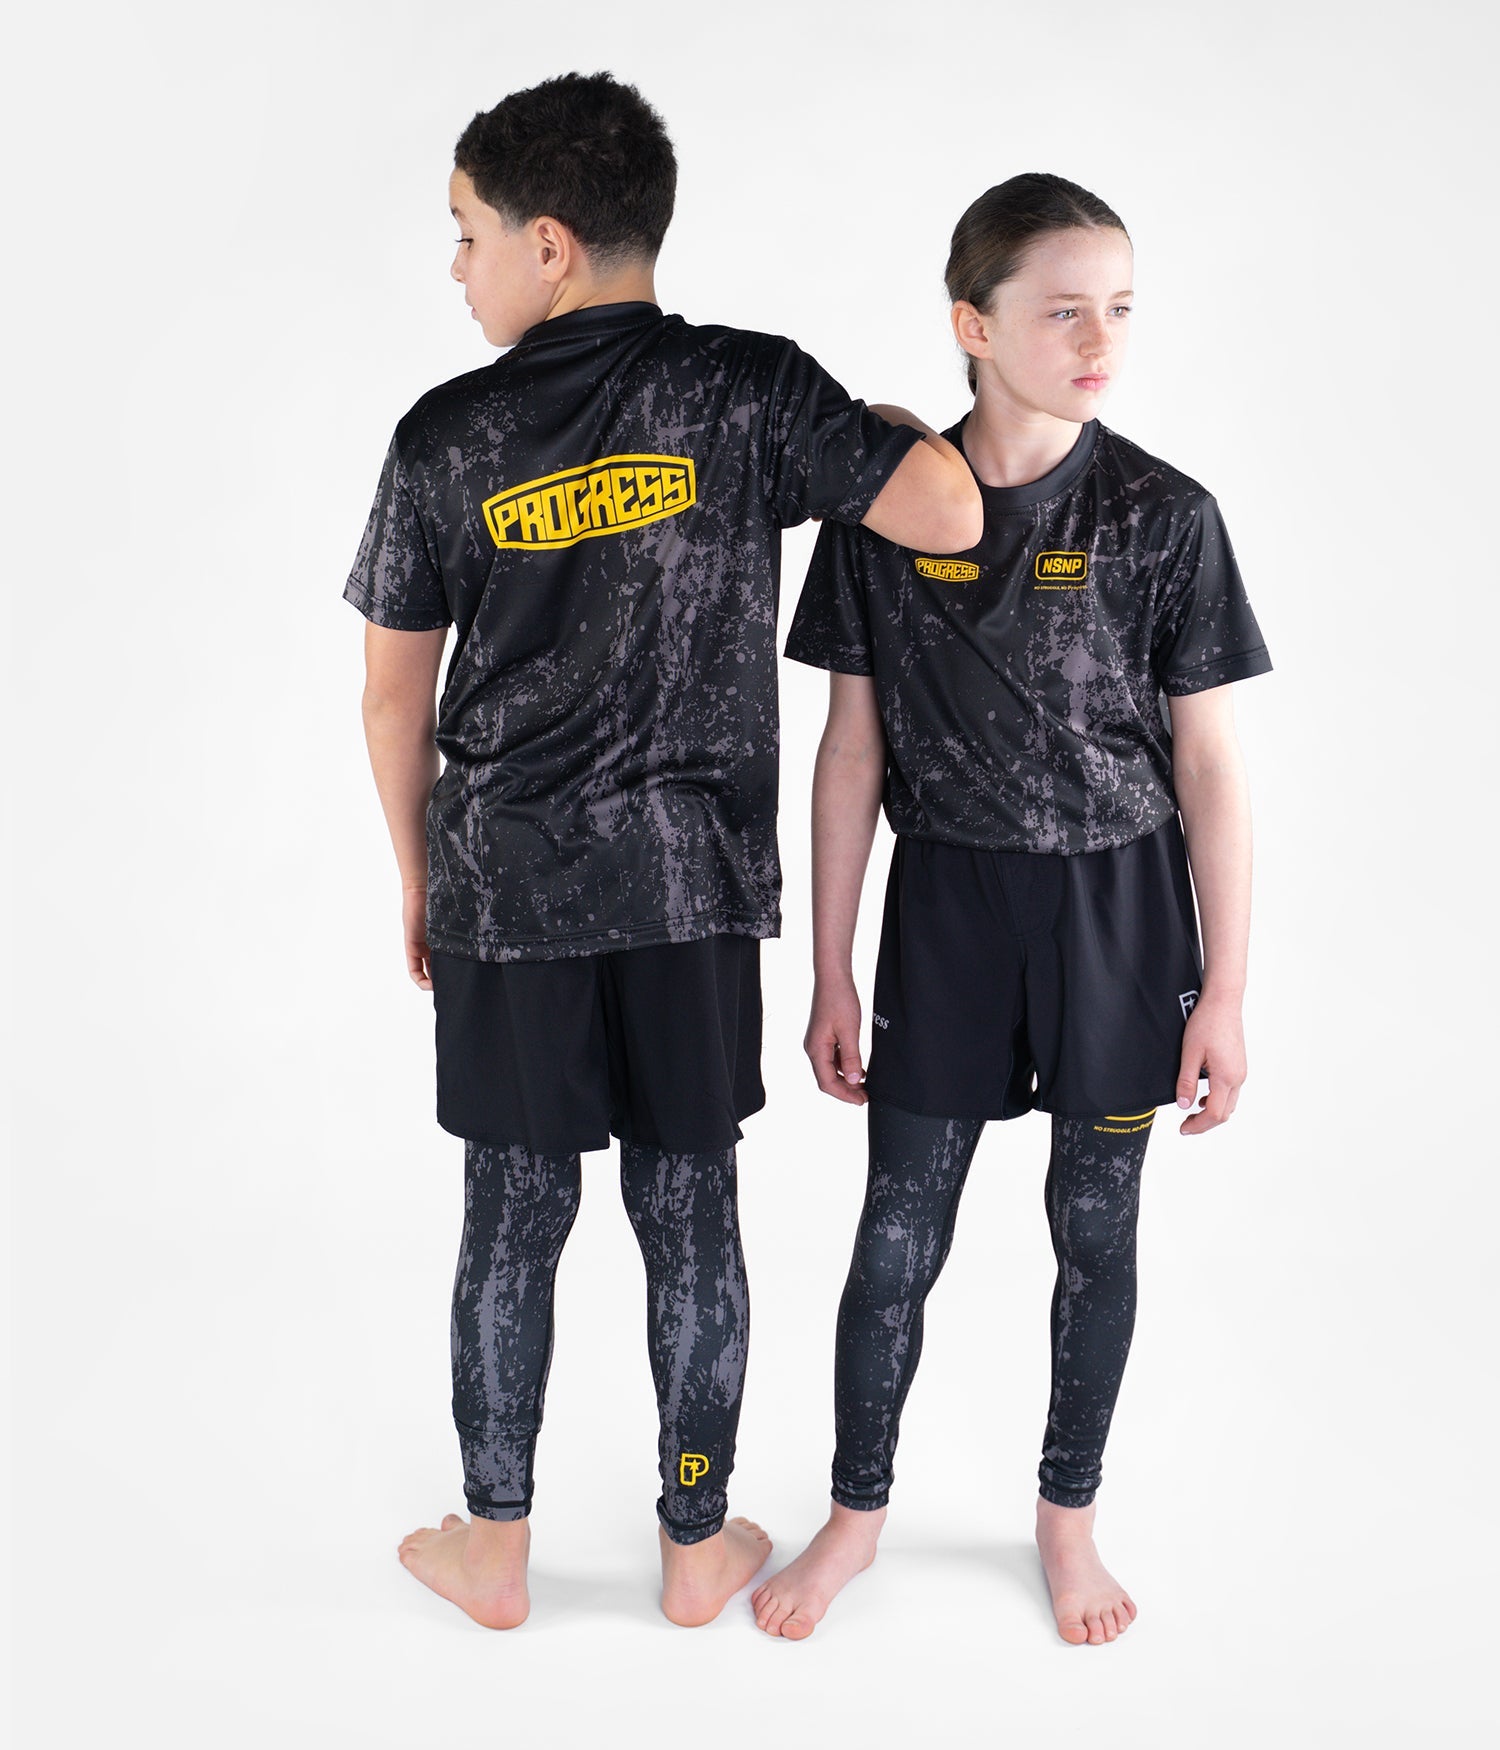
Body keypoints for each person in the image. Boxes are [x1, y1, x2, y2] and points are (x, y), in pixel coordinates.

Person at [344, 71, 982, 1632]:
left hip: (507, 890)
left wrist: (422, 879)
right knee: (690, 1208)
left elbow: (391, 694)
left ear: (548, 244)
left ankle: (495, 1548)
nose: (457, 267)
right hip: (688, 892)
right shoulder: (749, 392)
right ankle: (698, 1544)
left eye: (468, 232)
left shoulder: (447, 435)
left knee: (515, 1213)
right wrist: (888, 428)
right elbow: (950, 511)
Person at [752, 173, 1272, 1644]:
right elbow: (850, 752)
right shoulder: (881, 517)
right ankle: (856, 1513)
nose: (1099, 340)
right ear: (972, 325)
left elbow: (1210, 767)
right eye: (1062, 312)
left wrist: (1227, 990)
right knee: (897, 1238)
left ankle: (1067, 1518)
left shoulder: (1166, 516)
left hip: (1120, 916)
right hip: (951, 909)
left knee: (1094, 1235)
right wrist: (833, 968)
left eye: (1119, 309)